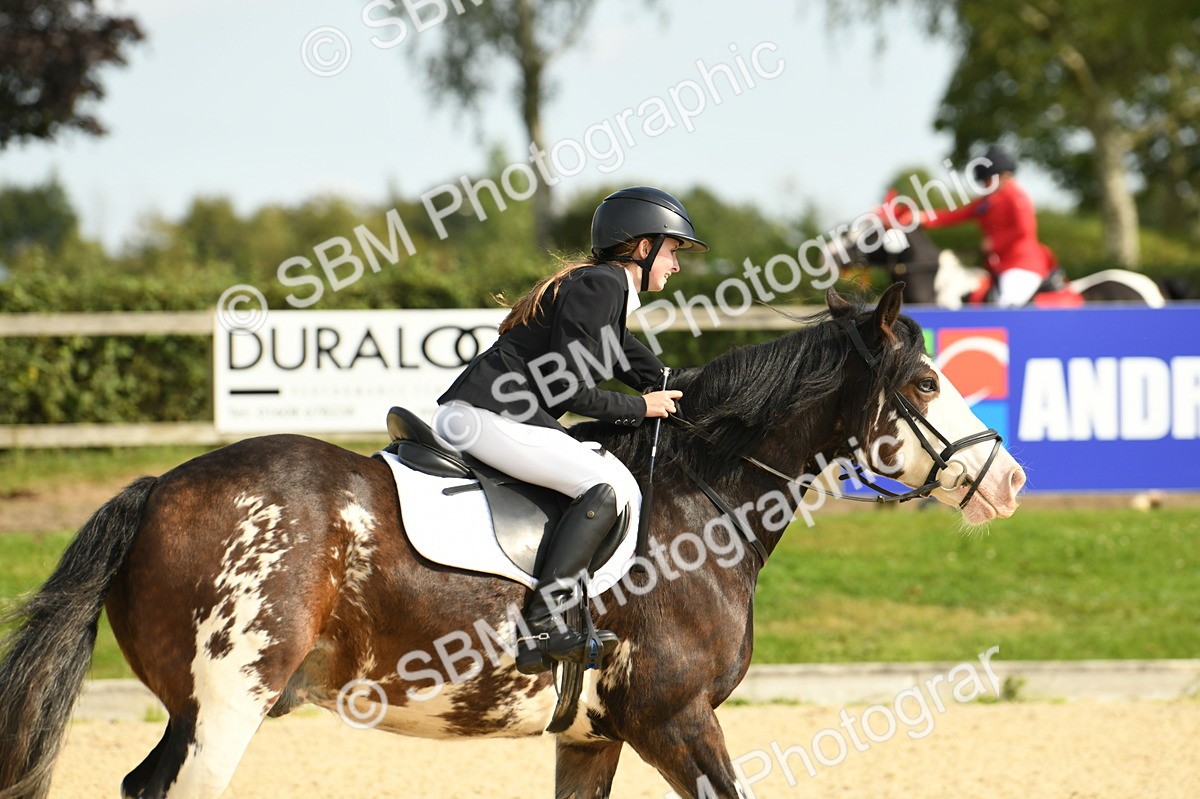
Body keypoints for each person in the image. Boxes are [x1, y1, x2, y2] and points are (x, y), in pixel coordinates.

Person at [433, 186, 706, 674]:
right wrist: (639, 409)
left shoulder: (606, 291)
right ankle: (545, 625)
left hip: (487, 412)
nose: (676, 265)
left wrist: (712, 397)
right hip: (489, 413)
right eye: (670, 252)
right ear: (643, 249)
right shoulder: (602, 287)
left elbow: (658, 377)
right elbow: (570, 392)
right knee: (606, 487)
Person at [905, 147, 1059, 307]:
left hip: (1021, 265)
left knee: (1005, 304)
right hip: (997, 267)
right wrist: (920, 217)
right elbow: (955, 215)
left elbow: (1024, 230)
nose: (985, 185)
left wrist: (994, 243)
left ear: (1003, 176)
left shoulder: (1016, 196)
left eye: (987, 180)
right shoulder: (988, 201)